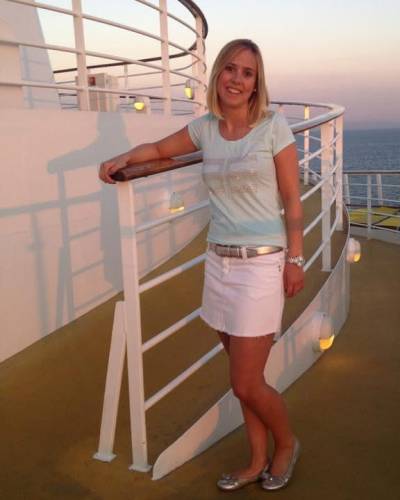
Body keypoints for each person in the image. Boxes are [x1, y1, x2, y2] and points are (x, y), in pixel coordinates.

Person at [99, 38, 304, 492]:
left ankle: (287, 444)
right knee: (244, 379)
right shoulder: (206, 129)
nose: (236, 79)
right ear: (218, 75)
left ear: (256, 84)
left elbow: (292, 200)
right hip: (219, 263)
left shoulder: (273, 127)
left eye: (247, 73)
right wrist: (123, 158)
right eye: (230, 68)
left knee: (246, 383)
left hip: (261, 265)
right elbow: (158, 149)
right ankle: (256, 460)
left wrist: (295, 258)